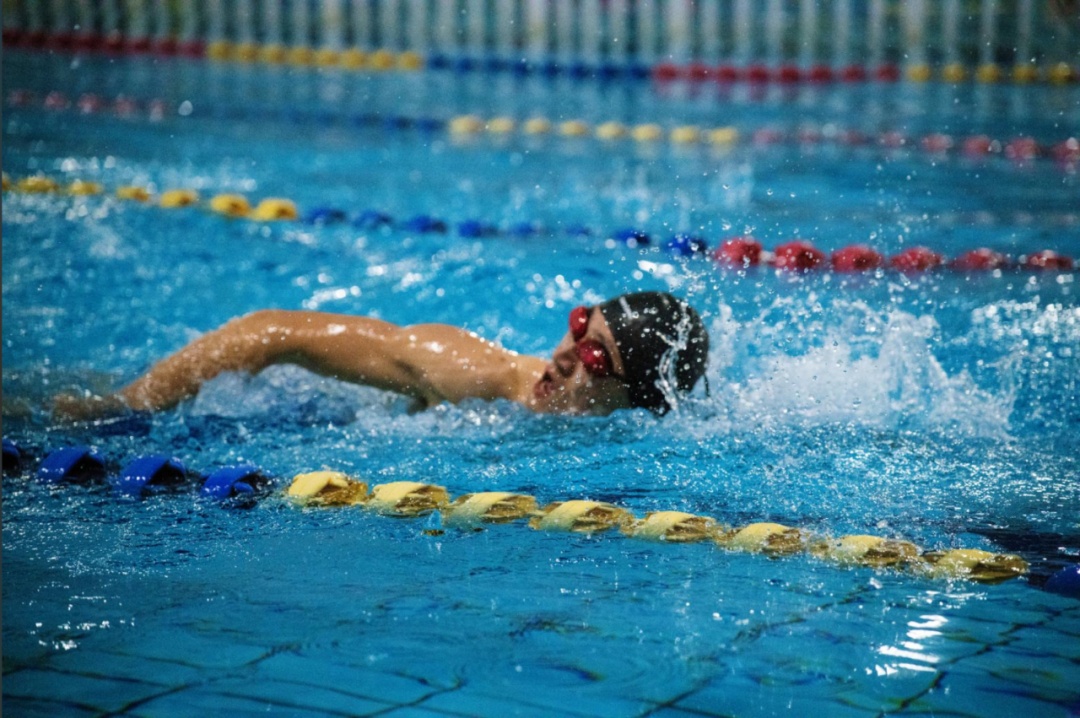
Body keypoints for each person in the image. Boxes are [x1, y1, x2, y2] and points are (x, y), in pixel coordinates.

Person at [54, 291, 709, 419]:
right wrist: (118, 407)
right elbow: (270, 329)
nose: (567, 357)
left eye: (597, 361)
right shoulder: (470, 373)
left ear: (639, 402)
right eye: (578, 329)